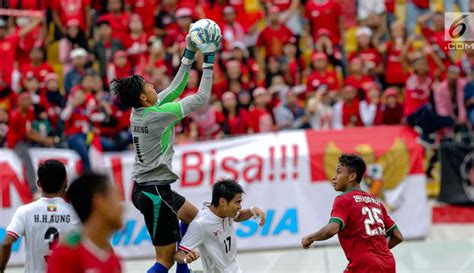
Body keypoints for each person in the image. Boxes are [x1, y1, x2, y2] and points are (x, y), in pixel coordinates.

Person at [111, 24, 221, 273]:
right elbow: (201, 98)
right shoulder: (157, 115)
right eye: (148, 85)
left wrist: (190, 52)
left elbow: (175, 89)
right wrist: (210, 59)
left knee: (194, 219)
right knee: (166, 260)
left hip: (147, 188)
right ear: (142, 97)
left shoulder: (140, 110)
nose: (153, 86)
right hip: (155, 194)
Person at [301, 154, 403, 273]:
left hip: (365, 265)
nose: (334, 177)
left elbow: (332, 229)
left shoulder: (343, 199)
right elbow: (398, 236)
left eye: (339, 172)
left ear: (352, 176)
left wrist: (310, 237)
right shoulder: (376, 202)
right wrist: (378, 254)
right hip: (388, 263)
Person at [0, 160, 80, 273]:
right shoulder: (76, 214)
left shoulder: (25, 211)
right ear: (65, 182)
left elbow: (6, 243)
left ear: (39, 183)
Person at [175, 179, 266, 273]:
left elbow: (239, 216)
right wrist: (186, 259)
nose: (240, 206)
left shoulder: (227, 213)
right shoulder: (201, 224)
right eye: (237, 202)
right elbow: (179, 255)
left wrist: (252, 210)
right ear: (222, 201)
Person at [47, 173, 124, 273]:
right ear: (99, 202)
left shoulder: (113, 259)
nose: (121, 207)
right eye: (116, 199)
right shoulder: (66, 254)